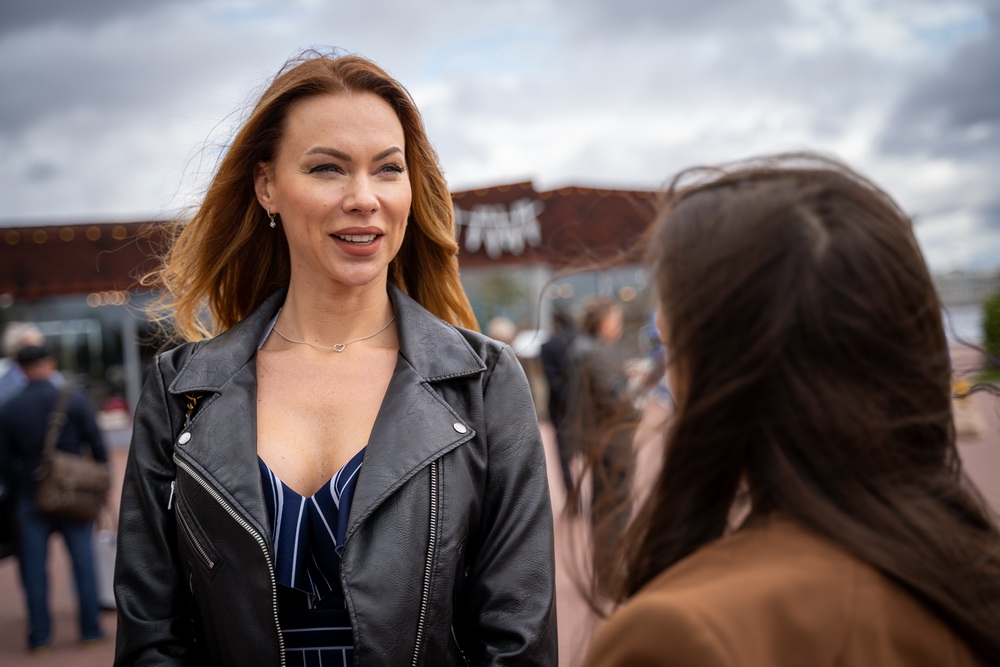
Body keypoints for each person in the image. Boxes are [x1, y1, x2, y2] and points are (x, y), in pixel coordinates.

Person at [114, 50, 556, 666]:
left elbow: (517, 639)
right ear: (267, 186)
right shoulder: (181, 389)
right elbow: (151, 637)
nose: (364, 197)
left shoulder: (482, 383)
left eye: (388, 169)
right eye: (327, 168)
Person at [583, 154, 1000, 665]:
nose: (661, 335)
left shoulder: (682, 632)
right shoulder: (971, 564)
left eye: (671, 323)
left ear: (726, 359)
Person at [0, 344, 108, 652]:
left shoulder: (9, 407)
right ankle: (90, 631)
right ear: (50, 363)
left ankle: (40, 638)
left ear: (21, 369)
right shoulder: (73, 398)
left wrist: (22, 486)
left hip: (30, 498)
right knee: (83, 563)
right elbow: (97, 445)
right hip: (74, 494)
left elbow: (3, 461)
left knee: (34, 569)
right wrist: (102, 486)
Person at [565, 298, 638, 589]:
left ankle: (606, 571)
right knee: (614, 509)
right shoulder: (597, 351)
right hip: (611, 441)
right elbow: (614, 399)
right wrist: (638, 404)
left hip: (598, 440)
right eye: (616, 319)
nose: (619, 324)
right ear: (604, 322)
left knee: (604, 507)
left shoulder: (583, 348)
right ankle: (609, 575)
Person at [539, 308, 577, 492]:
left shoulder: (548, 345)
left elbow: (551, 379)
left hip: (559, 407)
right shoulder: (580, 340)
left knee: (563, 452)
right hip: (582, 405)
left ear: (555, 322)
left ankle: (570, 492)